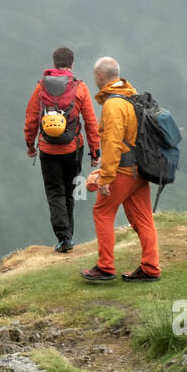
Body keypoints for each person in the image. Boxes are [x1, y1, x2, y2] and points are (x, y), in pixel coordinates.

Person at [80, 56, 161, 283]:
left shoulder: (113, 104)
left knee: (102, 213)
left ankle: (105, 267)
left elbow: (113, 143)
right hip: (140, 170)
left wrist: (104, 177)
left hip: (123, 171)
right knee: (143, 219)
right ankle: (150, 267)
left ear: (99, 76)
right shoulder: (131, 96)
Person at [24, 47, 100, 253]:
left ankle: (64, 238)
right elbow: (91, 122)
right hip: (73, 149)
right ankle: (69, 236)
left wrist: (30, 145)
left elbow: (31, 119)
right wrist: (95, 152)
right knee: (70, 191)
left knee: (55, 192)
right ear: (72, 64)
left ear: (53, 63)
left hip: (48, 150)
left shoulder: (41, 88)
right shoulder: (80, 88)